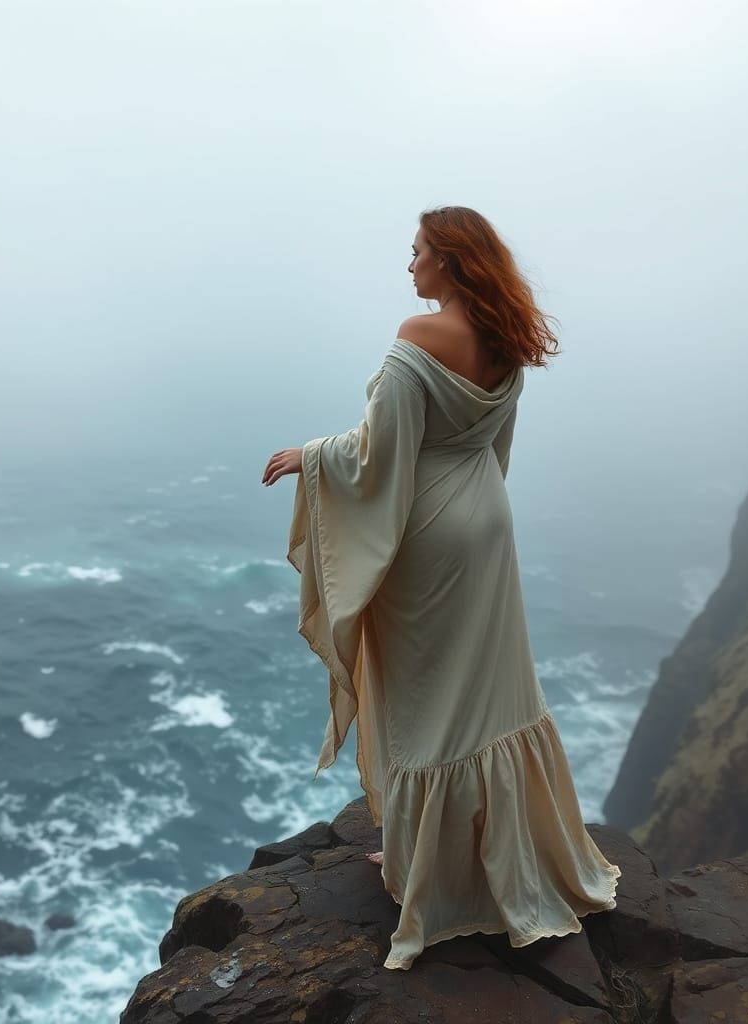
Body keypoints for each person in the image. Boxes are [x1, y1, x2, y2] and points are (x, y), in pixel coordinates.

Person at [261, 206, 620, 971]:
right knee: (487, 695)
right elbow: (497, 446)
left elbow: (378, 452)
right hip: (487, 523)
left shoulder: (418, 337)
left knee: (423, 695)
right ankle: (491, 861)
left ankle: (423, 870)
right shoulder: (506, 337)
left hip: (428, 534)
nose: (410, 263)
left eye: (419, 250)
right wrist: (476, 509)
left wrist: (310, 456)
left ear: (451, 262)